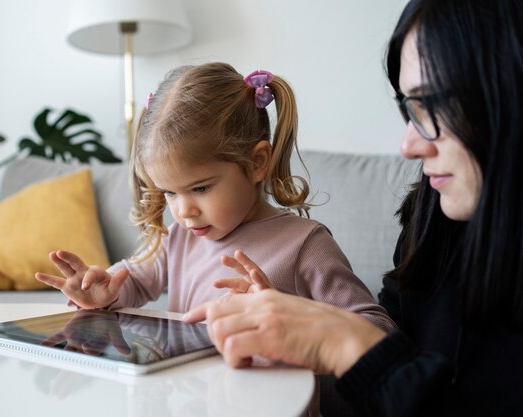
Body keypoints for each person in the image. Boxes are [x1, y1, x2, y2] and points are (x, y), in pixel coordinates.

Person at [185, 1, 523, 416]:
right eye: (410, 109)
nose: (409, 146)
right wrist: (301, 334)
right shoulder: (431, 213)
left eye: (436, 106)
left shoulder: (307, 241)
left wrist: (345, 341)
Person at [35, 62, 393, 333]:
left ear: (256, 163)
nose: (184, 210)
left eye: (201, 188)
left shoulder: (305, 244)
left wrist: (289, 315)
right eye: (169, 192)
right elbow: (135, 280)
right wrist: (105, 291)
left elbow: (376, 329)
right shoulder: (178, 238)